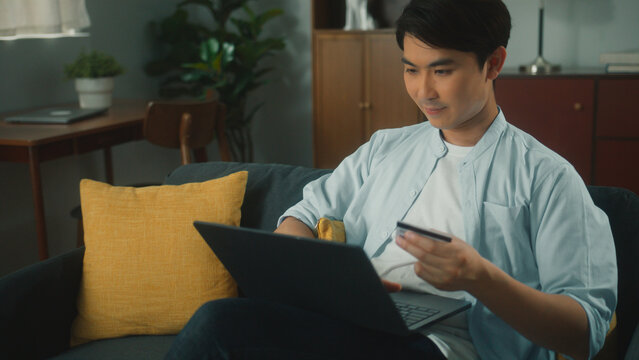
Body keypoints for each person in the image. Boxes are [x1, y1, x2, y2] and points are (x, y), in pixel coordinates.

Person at [165, 0, 617, 359]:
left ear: (493, 64)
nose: (423, 91)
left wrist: (480, 277)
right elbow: (302, 214)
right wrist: (310, 267)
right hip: (356, 321)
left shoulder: (548, 178)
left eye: (442, 70)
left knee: (222, 330)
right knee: (223, 319)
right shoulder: (386, 148)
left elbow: (584, 331)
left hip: (450, 347)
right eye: (410, 69)